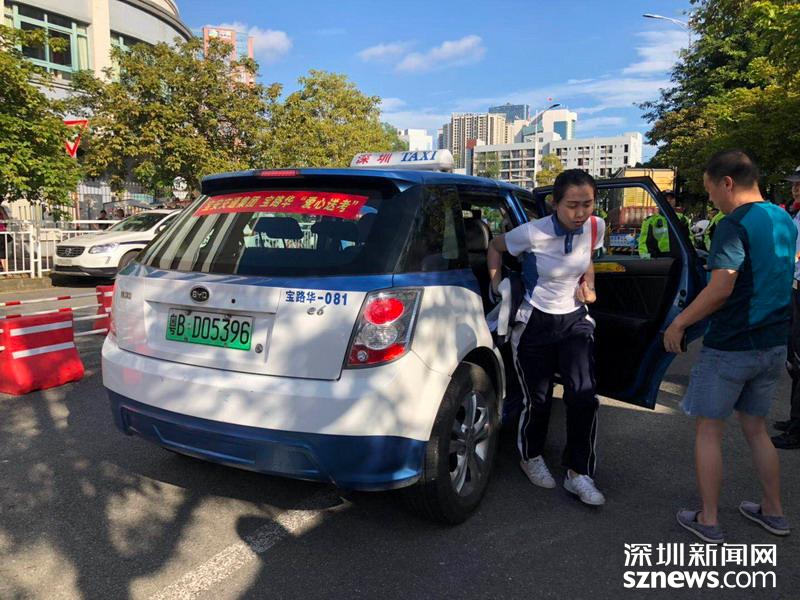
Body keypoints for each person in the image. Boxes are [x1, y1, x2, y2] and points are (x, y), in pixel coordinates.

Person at [664, 150, 795, 543]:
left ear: (727, 183)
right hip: (773, 343)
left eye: (710, 190)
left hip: (732, 345)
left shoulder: (733, 225)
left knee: (709, 431)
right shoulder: (784, 219)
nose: (711, 199)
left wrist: (680, 322)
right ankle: (773, 511)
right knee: (756, 429)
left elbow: (721, 288)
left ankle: (708, 519)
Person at [487, 169, 606, 506]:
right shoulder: (532, 232)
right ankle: (531, 455)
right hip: (535, 321)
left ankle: (578, 473)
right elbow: (495, 247)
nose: (580, 213)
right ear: (555, 203)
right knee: (537, 398)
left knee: (583, 395)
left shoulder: (595, 227)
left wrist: (589, 286)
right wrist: (497, 286)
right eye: (572, 205)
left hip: (574, 320)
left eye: (587, 204)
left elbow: (587, 261)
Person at [772, 165, 800, 449]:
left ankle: (798, 429)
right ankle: (795, 420)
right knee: (795, 360)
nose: (796, 188)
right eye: (794, 184)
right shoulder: (796, 214)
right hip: (795, 289)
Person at [638, 190, 685, 259]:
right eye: (665, 198)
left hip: (680, 259)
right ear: (658, 202)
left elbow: (689, 239)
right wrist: (646, 259)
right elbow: (643, 243)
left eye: (671, 198)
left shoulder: (682, 219)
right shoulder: (650, 221)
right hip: (660, 261)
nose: (668, 201)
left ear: (675, 201)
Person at [0, 205, 9, 272]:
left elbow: (6, 220)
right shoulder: (1, 208)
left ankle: (6, 270)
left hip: (2, 233)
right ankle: (6, 271)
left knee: (2, 252)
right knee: (2, 252)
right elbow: (6, 220)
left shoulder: (1, 208)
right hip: (2, 232)